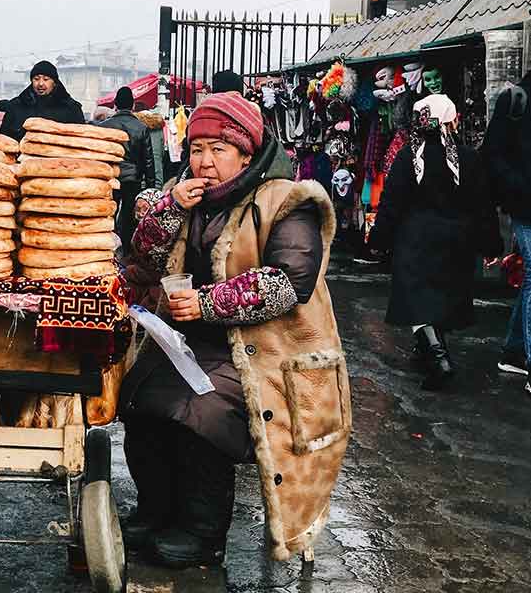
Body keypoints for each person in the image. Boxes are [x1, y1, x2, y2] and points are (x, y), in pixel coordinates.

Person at [120, 92, 350, 568]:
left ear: (247, 153)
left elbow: (291, 282)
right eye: (196, 149)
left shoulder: (286, 201)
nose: (204, 162)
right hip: (193, 342)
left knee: (198, 411)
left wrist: (206, 303)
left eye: (218, 150)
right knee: (141, 397)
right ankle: (157, 510)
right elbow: (141, 259)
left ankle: (202, 531)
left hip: (264, 350)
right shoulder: (186, 195)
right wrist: (168, 209)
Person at [369, 94, 501, 390]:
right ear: (451, 120)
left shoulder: (407, 158)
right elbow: (483, 204)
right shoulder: (468, 158)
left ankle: (439, 359)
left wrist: (379, 238)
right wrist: (491, 244)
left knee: (418, 302)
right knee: (439, 300)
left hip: (415, 242)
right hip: (457, 243)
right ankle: (426, 350)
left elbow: (391, 204)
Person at [484, 46, 531, 397]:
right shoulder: (518, 99)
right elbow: (492, 154)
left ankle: (512, 351)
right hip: (528, 208)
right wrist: (519, 187)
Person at [101, 87, 155, 256]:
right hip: (133, 178)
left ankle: (107, 248)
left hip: (110, 177)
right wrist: (151, 186)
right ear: (132, 105)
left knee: (108, 213)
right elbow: (148, 160)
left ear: (115, 105)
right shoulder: (141, 127)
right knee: (129, 216)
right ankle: (128, 252)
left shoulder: (105, 126)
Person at [0, 60, 84, 141]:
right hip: (22, 154)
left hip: (59, 155)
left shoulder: (71, 108)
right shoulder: (16, 106)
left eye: (46, 79)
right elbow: (4, 138)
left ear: (54, 82)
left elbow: (81, 138)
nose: (40, 83)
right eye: (36, 79)